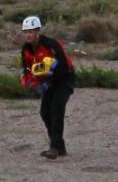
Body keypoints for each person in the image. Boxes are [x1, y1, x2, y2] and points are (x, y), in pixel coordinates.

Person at [19, 14, 76, 159]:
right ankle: (59, 146)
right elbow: (27, 69)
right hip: (48, 83)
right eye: (26, 32)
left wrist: (50, 77)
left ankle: (54, 147)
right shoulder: (26, 49)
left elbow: (64, 65)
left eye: (31, 32)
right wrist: (29, 81)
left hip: (64, 79)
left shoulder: (51, 44)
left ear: (38, 31)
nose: (28, 35)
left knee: (57, 110)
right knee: (45, 112)